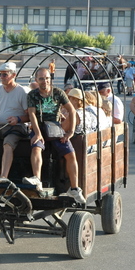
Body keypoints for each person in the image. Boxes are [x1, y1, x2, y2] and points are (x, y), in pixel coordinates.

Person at [22, 68, 86, 203]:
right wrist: (38, 133)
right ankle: (37, 180)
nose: (44, 81)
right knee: (36, 147)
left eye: (46, 78)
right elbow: (32, 114)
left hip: (55, 128)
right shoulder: (33, 95)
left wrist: (71, 132)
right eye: (41, 79)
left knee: (70, 154)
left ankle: (74, 188)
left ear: (50, 79)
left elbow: (72, 111)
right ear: (36, 80)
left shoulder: (58, 93)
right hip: (40, 127)